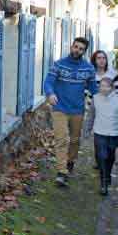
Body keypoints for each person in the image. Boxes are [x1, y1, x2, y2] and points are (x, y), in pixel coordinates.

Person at [44, 36, 97, 187]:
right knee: (61, 139)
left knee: (75, 140)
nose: (77, 50)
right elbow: (48, 82)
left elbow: (94, 89)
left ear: (84, 52)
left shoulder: (88, 69)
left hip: (77, 110)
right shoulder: (59, 65)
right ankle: (61, 172)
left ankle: (70, 161)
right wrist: (50, 93)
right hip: (59, 107)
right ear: (71, 47)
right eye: (76, 47)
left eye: (81, 49)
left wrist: (107, 97)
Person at [85, 77, 118, 195]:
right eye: (101, 86)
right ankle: (104, 183)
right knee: (101, 157)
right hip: (99, 132)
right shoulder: (95, 98)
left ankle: (107, 175)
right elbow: (91, 116)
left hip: (114, 133)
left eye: (106, 86)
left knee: (110, 157)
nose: (103, 89)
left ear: (111, 88)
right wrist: (87, 130)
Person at [87, 50, 118, 169]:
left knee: (107, 133)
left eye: (103, 58)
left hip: (110, 107)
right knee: (97, 134)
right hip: (94, 107)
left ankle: (107, 157)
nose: (101, 60)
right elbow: (86, 90)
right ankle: (99, 159)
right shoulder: (90, 74)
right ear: (94, 60)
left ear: (106, 60)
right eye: (99, 58)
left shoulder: (112, 74)